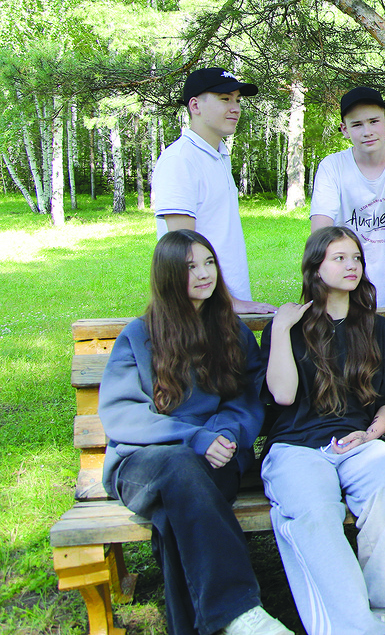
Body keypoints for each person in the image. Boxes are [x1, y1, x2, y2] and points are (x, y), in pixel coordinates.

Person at [98, 229, 290, 635]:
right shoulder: (140, 336)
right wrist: (195, 438)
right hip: (144, 463)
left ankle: (209, 623)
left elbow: (247, 399)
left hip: (217, 457)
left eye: (209, 263)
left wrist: (223, 433)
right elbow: (122, 414)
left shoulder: (231, 331)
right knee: (180, 466)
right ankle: (240, 611)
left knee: (173, 514)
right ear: (169, 276)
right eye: (190, 267)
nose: (204, 274)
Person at [261, 227, 385, 635]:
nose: (352, 266)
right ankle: (359, 628)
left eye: (356, 258)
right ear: (315, 267)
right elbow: (282, 395)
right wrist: (280, 329)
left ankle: (380, 605)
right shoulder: (291, 327)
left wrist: (370, 435)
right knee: (316, 513)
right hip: (296, 448)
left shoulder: (375, 327)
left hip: (356, 444)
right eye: (339, 258)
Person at [152, 67, 275, 314]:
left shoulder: (218, 155)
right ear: (195, 106)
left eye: (237, 100)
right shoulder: (180, 160)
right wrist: (228, 302)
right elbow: (182, 247)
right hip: (199, 309)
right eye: (225, 99)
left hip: (223, 306)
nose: (235, 108)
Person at [311, 86, 385, 309]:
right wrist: (320, 291)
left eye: (373, 121)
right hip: (346, 295)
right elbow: (320, 232)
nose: (367, 131)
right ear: (344, 129)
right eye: (357, 124)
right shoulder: (332, 167)